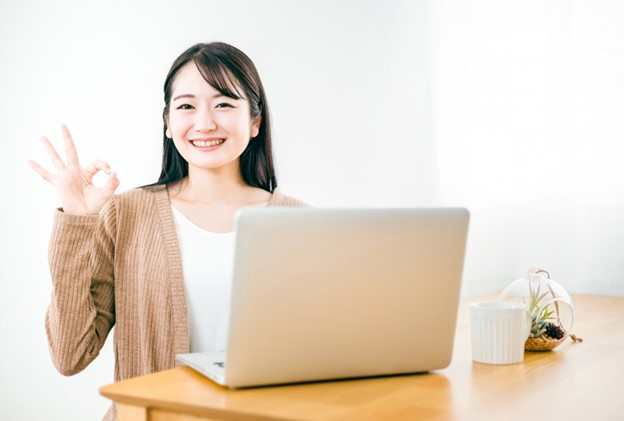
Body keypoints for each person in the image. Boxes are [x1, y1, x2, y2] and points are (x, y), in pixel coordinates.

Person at [28, 41, 306, 421]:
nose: (205, 122)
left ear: (255, 122)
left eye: (224, 103)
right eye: (187, 105)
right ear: (167, 123)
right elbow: (69, 355)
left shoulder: (298, 223)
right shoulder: (126, 213)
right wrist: (78, 222)